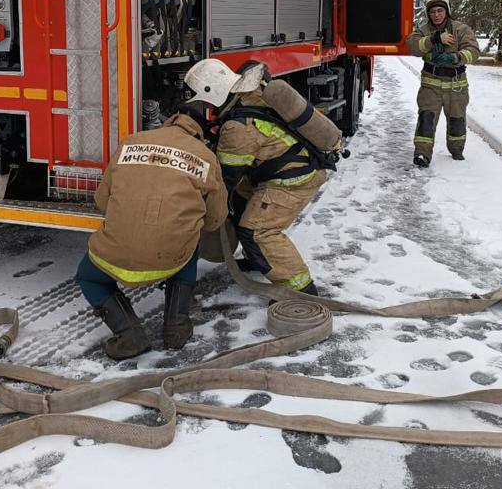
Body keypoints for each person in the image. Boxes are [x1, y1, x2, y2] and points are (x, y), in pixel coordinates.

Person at [75, 103, 227, 360]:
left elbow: (101, 201)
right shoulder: (206, 158)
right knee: (190, 240)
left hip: (112, 254)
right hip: (169, 259)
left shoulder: (131, 142)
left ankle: (128, 334)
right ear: (200, 132)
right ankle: (176, 329)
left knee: (88, 277)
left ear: (169, 121)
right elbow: (214, 220)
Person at [184, 58, 326, 296]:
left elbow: (224, 181)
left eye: (205, 98)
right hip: (283, 169)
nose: (206, 104)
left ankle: (300, 291)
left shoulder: (237, 128)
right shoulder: (249, 94)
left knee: (257, 231)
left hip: (292, 182)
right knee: (242, 204)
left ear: (215, 91)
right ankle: (258, 259)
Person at [405, 0, 480, 167]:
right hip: (431, 86)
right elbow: (413, 46)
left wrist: (454, 58)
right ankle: (422, 154)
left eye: (440, 11)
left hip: (456, 86)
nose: (436, 15)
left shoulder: (461, 29)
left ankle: (456, 150)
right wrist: (434, 39)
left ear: (446, 11)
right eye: (432, 12)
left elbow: (474, 52)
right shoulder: (423, 31)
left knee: (457, 120)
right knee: (426, 119)